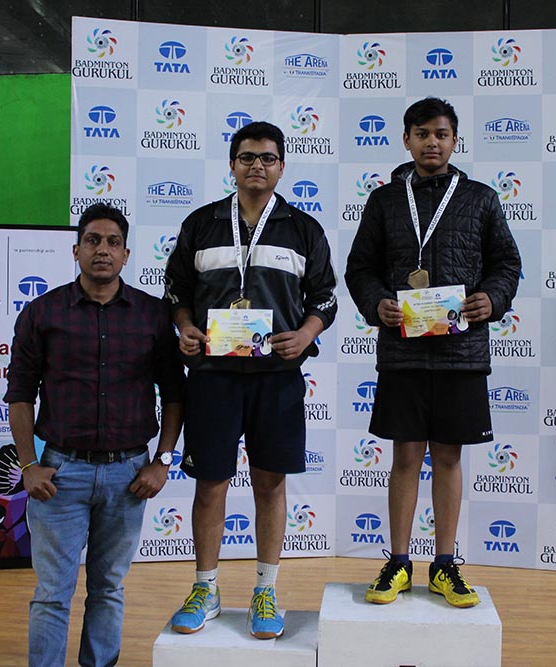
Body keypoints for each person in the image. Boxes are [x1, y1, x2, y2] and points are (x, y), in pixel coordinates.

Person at [344, 97, 521, 609]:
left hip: (461, 351)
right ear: (406, 140)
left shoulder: (481, 199)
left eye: (441, 134)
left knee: (448, 456)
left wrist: (493, 298)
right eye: (421, 134)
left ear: (455, 140)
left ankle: (445, 564)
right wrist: (377, 303)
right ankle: (398, 562)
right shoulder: (384, 201)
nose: (432, 143)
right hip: (403, 351)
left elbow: (507, 264)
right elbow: (360, 268)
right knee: (405, 455)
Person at [164, 121, 337, 639]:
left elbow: (326, 298)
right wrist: (185, 327)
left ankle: (266, 591)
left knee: (270, 483)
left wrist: (305, 334)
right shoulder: (201, 223)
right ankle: (206, 588)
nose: (256, 165)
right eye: (247, 157)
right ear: (232, 165)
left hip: (276, 377)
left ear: (281, 166)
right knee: (210, 483)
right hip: (213, 376)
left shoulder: (303, 228)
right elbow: (176, 291)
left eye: (267, 158)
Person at [4, 203, 185, 667]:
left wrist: (162, 461)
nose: (102, 250)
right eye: (92, 241)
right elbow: (20, 395)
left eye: (112, 242)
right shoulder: (43, 313)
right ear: (76, 251)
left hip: (130, 476)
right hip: (59, 475)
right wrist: (28, 465)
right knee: (52, 592)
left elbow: (176, 394)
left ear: (126, 255)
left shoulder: (152, 315)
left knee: (108, 587)